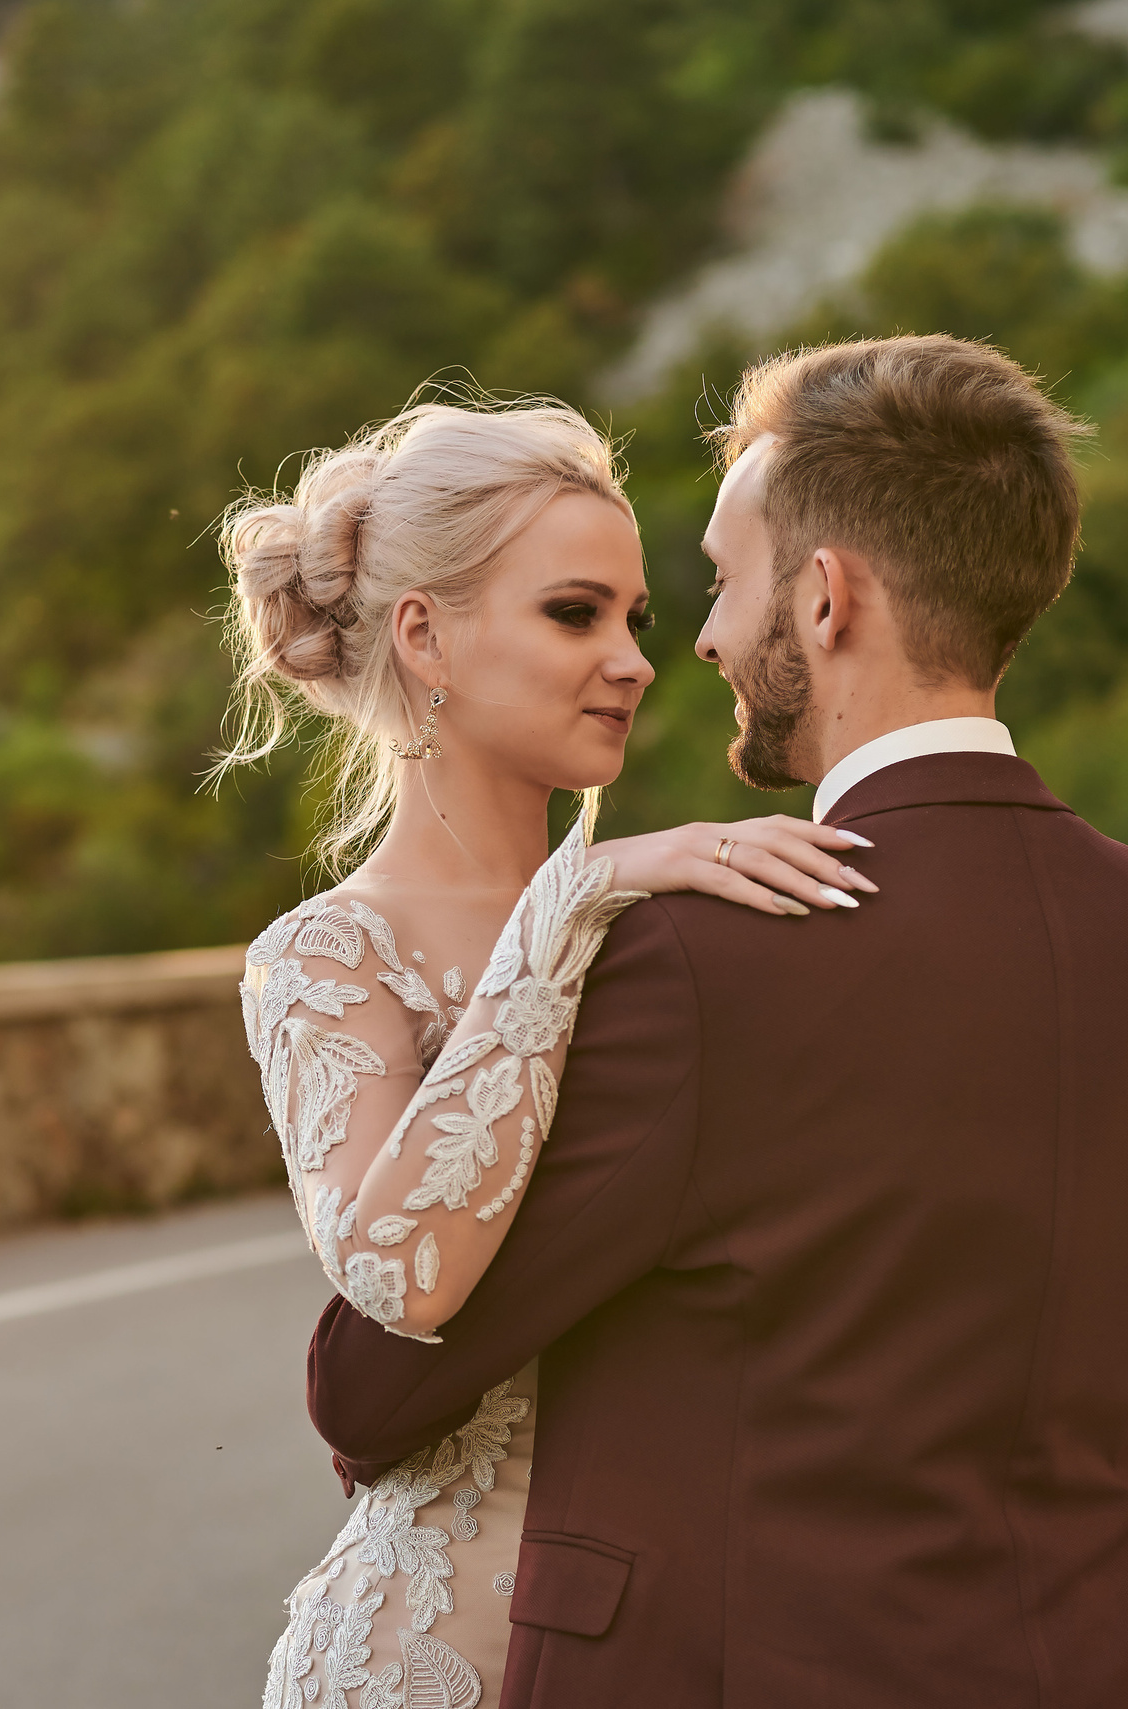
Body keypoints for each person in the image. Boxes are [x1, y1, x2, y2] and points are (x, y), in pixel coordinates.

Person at [299, 336, 1128, 1707]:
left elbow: (376, 1388)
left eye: (723, 582)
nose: (698, 640)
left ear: (824, 597)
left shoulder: (686, 959)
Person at [222, 398, 879, 1709]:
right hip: (429, 1662)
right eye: (577, 614)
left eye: (638, 618)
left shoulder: (676, 919)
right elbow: (401, 1272)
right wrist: (569, 906)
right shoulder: (326, 957)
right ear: (425, 635)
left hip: (687, 1649)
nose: (635, 662)